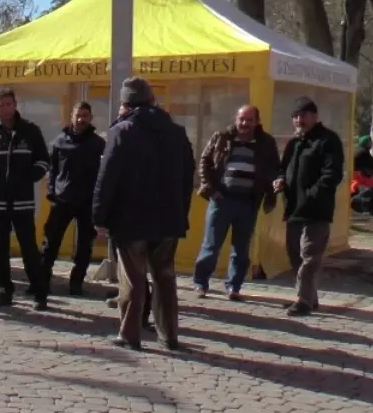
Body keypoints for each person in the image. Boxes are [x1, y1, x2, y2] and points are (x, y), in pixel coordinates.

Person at [93, 77, 194, 350]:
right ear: (151, 100)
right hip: (168, 219)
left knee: (133, 279)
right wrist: (181, 212)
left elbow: (107, 177)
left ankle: (129, 334)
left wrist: (98, 216)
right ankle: (169, 335)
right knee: (165, 277)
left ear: (125, 104)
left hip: (131, 219)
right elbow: (188, 177)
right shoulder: (176, 131)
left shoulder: (122, 131)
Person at [0, 88, 51, 309]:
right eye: (1, 105)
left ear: (15, 105)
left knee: (29, 249)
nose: (5, 109)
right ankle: (5, 289)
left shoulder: (31, 131)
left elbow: (44, 160)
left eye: (9, 104)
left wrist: (30, 176)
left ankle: (39, 292)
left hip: (22, 202)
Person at [193, 104, 281, 301]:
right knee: (211, 245)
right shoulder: (222, 137)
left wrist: (272, 190)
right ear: (236, 119)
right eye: (241, 119)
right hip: (222, 199)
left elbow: (274, 169)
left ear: (257, 122)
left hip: (248, 202)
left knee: (241, 249)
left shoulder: (266, 143)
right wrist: (211, 190)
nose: (244, 124)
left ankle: (234, 287)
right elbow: (204, 162)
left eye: (249, 120)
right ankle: (200, 283)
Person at [274, 97, 344, 317]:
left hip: (316, 210)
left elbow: (332, 174)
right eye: (295, 116)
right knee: (294, 254)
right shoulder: (294, 143)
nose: (298, 120)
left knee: (309, 255)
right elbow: (283, 169)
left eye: (303, 115)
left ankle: (303, 300)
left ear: (315, 116)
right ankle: (309, 298)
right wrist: (280, 180)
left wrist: (313, 195)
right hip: (293, 208)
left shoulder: (328, 140)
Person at [40, 101, 106, 296]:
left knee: (85, 246)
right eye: (78, 115)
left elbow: (103, 174)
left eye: (85, 115)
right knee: (51, 242)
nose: (81, 119)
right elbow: (52, 170)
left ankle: (76, 283)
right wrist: (51, 191)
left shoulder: (98, 144)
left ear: (90, 118)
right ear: (71, 116)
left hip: (87, 202)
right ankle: (42, 281)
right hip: (62, 200)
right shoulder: (59, 141)